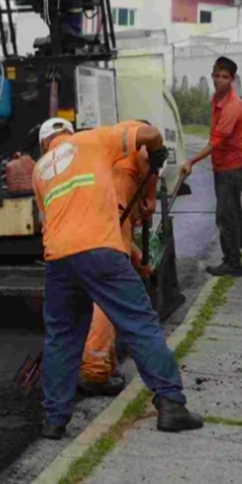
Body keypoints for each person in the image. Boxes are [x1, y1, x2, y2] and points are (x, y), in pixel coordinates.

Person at [32, 117, 202, 437]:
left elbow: (53, 222)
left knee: (62, 338)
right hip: (101, 251)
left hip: (58, 259)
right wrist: (155, 152)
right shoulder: (92, 139)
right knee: (139, 323)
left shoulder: (39, 169)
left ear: (45, 144)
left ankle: (54, 420)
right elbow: (149, 133)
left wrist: (133, 253)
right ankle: (171, 404)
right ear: (69, 133)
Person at [78, 121, 159, 397]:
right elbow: (151, 154)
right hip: (113, 205)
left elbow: (120, 232)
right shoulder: (143, 140)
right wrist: (151, 197)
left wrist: (136, 255)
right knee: (109, 289)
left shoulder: (114, 146)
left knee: (95, 281)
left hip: (90, 207)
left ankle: (97, 361)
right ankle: (95, 368)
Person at [181, 56, 242, 278]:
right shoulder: (215, 99)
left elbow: (216, 141)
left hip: (232, 168)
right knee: (235, 212)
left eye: (225, 77)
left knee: (225, 216)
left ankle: (232, 262)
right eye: (217, 76)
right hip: (225, 166)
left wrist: (191, 160)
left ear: (232, 80)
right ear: (212, 76)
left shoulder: (233, 106)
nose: (220, 80)